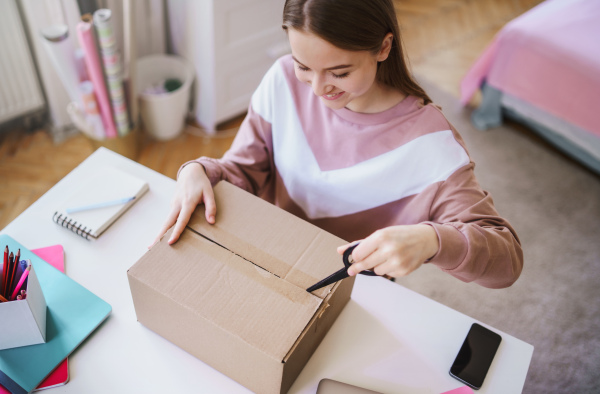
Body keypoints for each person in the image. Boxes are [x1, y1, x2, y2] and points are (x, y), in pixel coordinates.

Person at [154, 0, 523, 289]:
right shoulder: (283, 79)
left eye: (340, 72)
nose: (317, 89)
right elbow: (245, 169)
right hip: (265, 254)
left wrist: (434, 240)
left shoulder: (431, 145)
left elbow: (507, 261)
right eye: (304, 66)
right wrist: (200, 170)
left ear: (383, 47)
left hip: (349, 288)